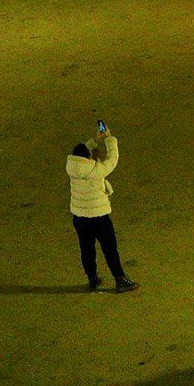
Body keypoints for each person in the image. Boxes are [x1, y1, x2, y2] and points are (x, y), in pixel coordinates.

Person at [66, 123, 137, 293]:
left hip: (80, 217)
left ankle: (93, 279)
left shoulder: (72, 167)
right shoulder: (95, 170)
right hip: (99, 217)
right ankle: (120, 280)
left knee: (86, 249)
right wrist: (109, 139)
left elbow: (82, 151)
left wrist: (94, 140)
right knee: (110, 249)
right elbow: (112, 160)